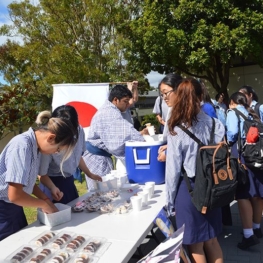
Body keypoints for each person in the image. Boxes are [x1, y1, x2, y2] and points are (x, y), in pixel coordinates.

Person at [166, 78, 224, 263]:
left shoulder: (177, 128)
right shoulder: (216, 124)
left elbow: (173, 169)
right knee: (212, 241)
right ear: (201, 96)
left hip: (190, 189)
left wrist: (169, 201)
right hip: (213, 187)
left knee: (196, 245)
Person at [0, 108, 78, 241]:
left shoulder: (34, 147)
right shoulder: (22, 146)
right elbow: (14, 195)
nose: (55, 153)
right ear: (51, 137)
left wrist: (46, 199)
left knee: (20, 244)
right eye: (57, 149)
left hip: (14, 207)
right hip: (3, 210)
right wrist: (43, 204)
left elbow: (26, 183)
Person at [83, 85, 148, 190]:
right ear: (115, 100)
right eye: (125, 101)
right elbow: (122, 137)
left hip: (99, 156)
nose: (127, 105)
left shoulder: (111, 110)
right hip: (97, 157)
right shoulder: (109, 113)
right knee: (100, 191)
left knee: (104, 189)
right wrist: (142, 140)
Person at [38, 105, 102, 204]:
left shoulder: (79, 130)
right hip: (51, 184)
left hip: (68, 182)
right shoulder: (49, 142)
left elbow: (77, 156)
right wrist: (53, 188)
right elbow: (41, 174)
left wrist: (90, 174)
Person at [225, 91, 263, 249]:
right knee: (258, 194)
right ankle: (257, 227)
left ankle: (248, 236)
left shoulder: (233, 112)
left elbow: (232, 133)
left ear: (232, 102)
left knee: (243, 195)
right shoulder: (253, 112)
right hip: (258, 156)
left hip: (242, 157)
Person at [156, 73, 183, 162]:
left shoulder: (190, 113)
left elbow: (191, 143)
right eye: (162, 94)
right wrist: (170, 146)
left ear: (179, 90)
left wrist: (168, 153)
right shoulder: (174, 111)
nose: (164, 98)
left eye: (166, 93)